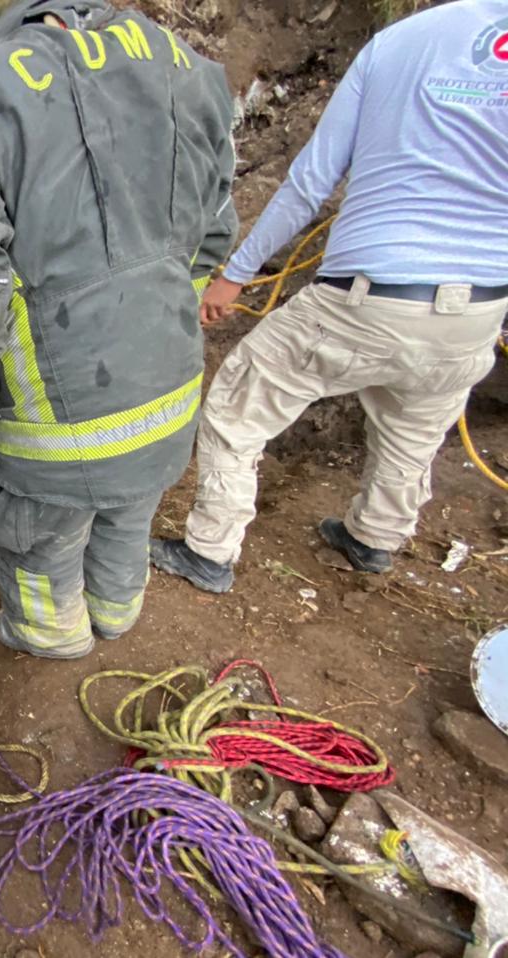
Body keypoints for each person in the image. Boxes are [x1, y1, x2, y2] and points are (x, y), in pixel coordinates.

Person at [0, 0, 236, 657]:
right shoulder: (178, 60)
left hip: (58, 425)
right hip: (169, 391)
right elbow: (216, 221)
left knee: (34, 532)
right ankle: (116, 610)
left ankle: (48, 630)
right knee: (128, 508)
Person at [152, 0, 508, 593]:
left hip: (367, 295)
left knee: (237, 411)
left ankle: (208, 550)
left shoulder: (403, 41)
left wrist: (233, 275)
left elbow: (310, 183)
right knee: (413, 431)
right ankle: (373, 540)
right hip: (478, 308)